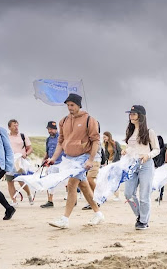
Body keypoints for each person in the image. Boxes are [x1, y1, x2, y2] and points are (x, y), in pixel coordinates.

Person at [46, 93, 104, 229]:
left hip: (83, 157)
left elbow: (95, 141)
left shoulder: (90, 120)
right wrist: (53, 158)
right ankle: (98, 214)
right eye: (68, 105)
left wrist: (90, 160)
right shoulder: (63, 121)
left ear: (78, 105)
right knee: (83, 186)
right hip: (69, 158)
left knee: (72, 184)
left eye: (72, 105)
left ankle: (65, 219)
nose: (70, 108)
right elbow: (61, 142)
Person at [121, 105, 159, 230]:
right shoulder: (130, 131)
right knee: (128, 194)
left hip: (146, 165)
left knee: (144, 195)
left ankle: (143, 221)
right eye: (130, 114)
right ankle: (140, 216)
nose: (131, 116)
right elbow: (132, 147)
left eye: (134, 114)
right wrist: (126, 151)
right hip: (132, 164)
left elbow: (157, 149)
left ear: (140, 116)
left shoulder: (149, 132)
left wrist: (148, 155)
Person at [5, 119, 33, 205]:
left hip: (20, 161)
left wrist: (26, 154)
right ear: (9, 127)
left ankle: (29, 194)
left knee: (21, 181)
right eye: (14, 125)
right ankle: (14, 201)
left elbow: (30, 148)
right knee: (10, 182)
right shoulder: (6, 137)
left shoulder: (23, 136)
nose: (16, 127)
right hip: (10, 162)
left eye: (17, 125)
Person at [40, 121, 62, 208]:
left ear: (56, 129)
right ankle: (50, 201)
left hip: (62, 162)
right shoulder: (48, 139)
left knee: (67, 182)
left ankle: (72, 199)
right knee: (49, 181)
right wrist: (44, 160)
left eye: (52, 129)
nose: (50, 131)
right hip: (51, 164)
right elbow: (47, 152)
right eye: (49, 129)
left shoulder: (61, 137)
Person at [101, 131, 123, 202]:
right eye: (103, 137)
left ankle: (117, 196)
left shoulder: (115, 143)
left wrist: (118, 161)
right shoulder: (106, 145)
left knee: (115, 179)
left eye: (105, 137)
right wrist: (105, 162)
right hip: (110, 163)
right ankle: (106, 195)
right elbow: (106, 155)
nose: (104, 139)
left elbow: (120, 152)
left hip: (116, 163)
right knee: (108, 179)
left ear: (108, 136)